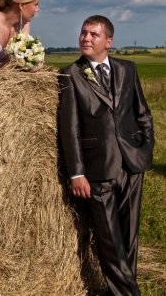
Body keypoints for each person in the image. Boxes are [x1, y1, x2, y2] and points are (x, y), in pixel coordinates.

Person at [58, 15, 154, 296]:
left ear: (108, 42)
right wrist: (77, 172)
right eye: (83, 33)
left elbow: (143, 114)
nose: (86, 38)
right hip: (96, 167)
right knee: (109, 240)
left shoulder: (128, 69)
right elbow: (70, 128)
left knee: (128, 237)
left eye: (93, 35)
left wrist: (145, 151)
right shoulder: (69, 74)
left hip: (132, 164)